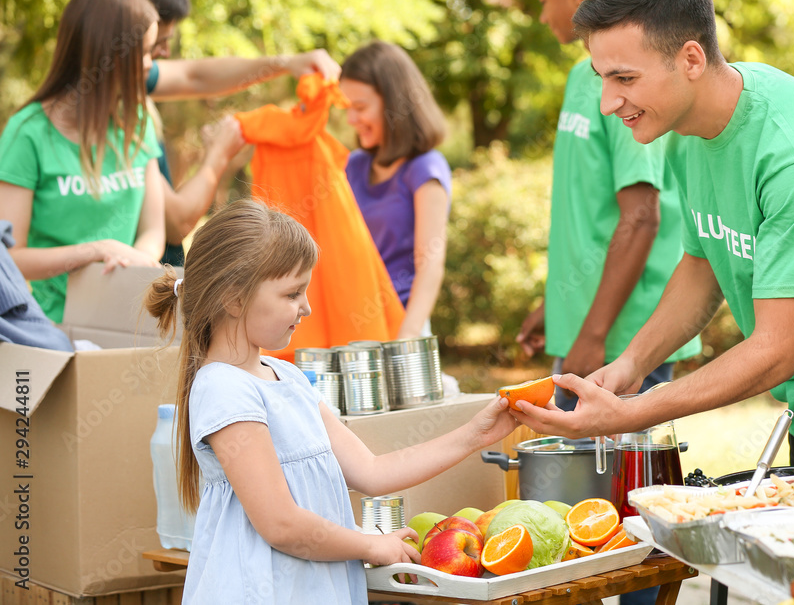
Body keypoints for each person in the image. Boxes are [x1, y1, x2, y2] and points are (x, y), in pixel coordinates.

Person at [510, 0, 794, 468]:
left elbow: (775, 348)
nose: (608, 102)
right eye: (603, 78)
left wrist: (635, 411)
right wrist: (629, 366)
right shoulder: (685, 132)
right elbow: (702, 265)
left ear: (691, 59)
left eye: (624, 77)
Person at [144, 199, 516, 603]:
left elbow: (371, 471)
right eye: (292, 293)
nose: (305, 308)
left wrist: (477, 434)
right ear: (233, 299)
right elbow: (280, 524)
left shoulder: (285, 376)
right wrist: (370, 545)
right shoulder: (224, 390)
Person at [517, 0, 700, 414]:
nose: (542, 15)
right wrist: (557, 306)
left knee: (619, 483)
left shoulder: (629, 84)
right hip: (583, 327)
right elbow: (588, 213)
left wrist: (594, 334)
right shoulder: (587, 79)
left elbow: (640, 217)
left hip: (624, 339)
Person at [93, 0, 340, 267]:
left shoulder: (129, 84)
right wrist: (218, 154)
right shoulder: (111, 116)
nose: (163, 56)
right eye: (156, 44)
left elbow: (196, 75)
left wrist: (286, 63)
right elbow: (176, 222)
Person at [0, 0, 165, 324]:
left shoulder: (138, 122)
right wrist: (95, 251)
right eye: (144, 53)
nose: (152, 64)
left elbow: (153, 230)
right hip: (52, 330)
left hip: (128, 324)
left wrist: (136, 264)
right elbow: (8, 258)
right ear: (110, 56)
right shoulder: (27, 134)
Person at [341, 41, 451, 339]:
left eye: (360, 107)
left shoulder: (425, 169)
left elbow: (429, 265)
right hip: (354, 326)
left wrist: (407, 338)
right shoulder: (354, 166)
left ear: (393, 103)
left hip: (403, 325)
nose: (352, 119)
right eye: (347, 108)